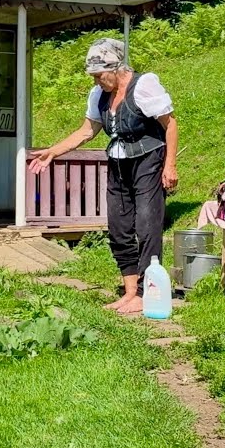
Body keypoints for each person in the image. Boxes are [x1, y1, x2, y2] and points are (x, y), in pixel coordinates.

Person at [28, 38, 179, 314]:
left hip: (148, 161)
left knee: (147, 225)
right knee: (119, 227)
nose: (97, 82)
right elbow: (87, 131)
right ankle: (131, 291)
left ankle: (146, 292)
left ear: (115, 68)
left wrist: (170, 165)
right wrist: (52, 151)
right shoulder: (99, 95)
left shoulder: (143, 86)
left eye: (99, 76)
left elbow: (170, 125)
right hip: (119, 165)